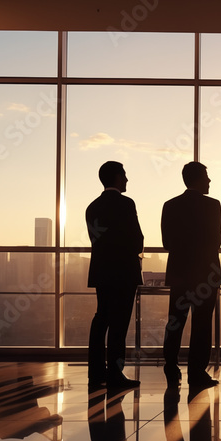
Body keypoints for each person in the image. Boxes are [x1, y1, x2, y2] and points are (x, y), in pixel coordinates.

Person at [161, 161, 221, 391]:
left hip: (179, 273)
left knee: (175, 321)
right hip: (206, 274)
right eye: (206, 176)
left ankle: (171, 365)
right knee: (202, 324)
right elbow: (216, 240)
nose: (209, 181)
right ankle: (196, 372)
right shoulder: (213, 206)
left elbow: (167, 242)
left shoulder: (170, 205)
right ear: (198, 179)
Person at [86, 161, 142, 390]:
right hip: (124, 272)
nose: (127, 180)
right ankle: (115, 374)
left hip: (102, 271)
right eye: (125, 175)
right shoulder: (126, 204)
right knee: (119, 325)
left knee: (102, 319)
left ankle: (96, 373)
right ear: (117, 178)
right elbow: (137, 240)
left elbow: (97, 240)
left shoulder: (92, 207)